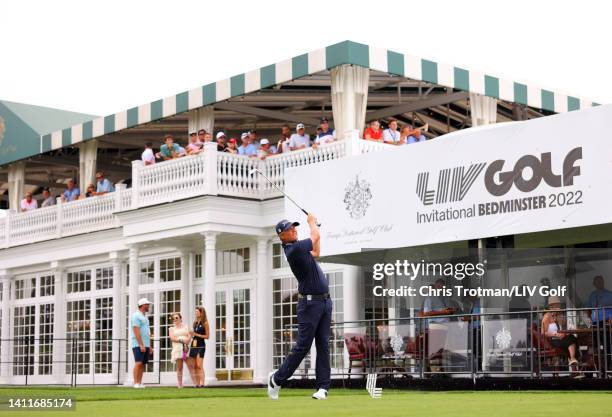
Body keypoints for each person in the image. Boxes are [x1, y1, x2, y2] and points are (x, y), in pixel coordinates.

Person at [268, 214, 331, 401]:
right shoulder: (293, 249)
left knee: (323, 344)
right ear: (282, 236)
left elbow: (317, 251)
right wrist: (312, 222)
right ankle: (276, 380)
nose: (294, 230)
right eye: (289, 229)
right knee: (303, 346)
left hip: (324, 302)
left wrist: (314, 226)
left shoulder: (300, 247)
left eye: (294, 227)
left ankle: (322, 388)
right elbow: (315, 238)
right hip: (309, 304)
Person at [541, 296, 582, 376]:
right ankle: (574, 361)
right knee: (570, 340)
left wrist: (561, 321)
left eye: (559, 305)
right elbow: (543, 332)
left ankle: (573, 362)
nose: (559, 307)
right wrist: (555, 334)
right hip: (553, 340)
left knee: (572, 338)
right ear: (551, 306)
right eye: (557, 305)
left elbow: (563, 327)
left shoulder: (558, 315)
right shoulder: (547, 316)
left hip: (561, 338)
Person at [587, 275, 612, 369]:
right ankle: (597, 368)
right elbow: (588, 308)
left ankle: (608, 367)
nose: (600, 283)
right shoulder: (592, 295)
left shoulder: (609, 294)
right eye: (597, 282)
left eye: (601, 281)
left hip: (606, 322)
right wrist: (590, 318)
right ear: (594, 284)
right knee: (595, 346)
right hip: (595, 323)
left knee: (607, 346)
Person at [130, 297, 153, 388]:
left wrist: (149, 346)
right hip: (138, 344)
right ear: (143, 305)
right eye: (147, 305)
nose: (148, 306)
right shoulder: (136, 315)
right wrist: (141, 344)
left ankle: (139, 382)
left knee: (142, 364)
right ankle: (135, 383)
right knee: (138, 363)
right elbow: (136, 330)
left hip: (146, 344)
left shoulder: (145, 317)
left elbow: (148, 332)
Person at [188, 307, 209, 387]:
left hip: (201, 345)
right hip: (194, 345)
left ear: (201, 313)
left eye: (197, 312)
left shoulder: (205, 323)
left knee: (200, 365)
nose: (196, 313)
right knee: (195, 365)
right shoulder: (195, 323)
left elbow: (207, 336)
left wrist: (196, 334)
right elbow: (193, 335)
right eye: (195, 312)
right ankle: (196, 383)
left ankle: (202, 383)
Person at [169, 313, 192, 388]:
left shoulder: (186, 327)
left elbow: (189, 336)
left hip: (186, 348)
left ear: (180, 319)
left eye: (176, 318)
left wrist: (187, 342)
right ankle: (180, 384)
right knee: (179, 367)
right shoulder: (171, 329)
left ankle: (195, 383)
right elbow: (172, 338)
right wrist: (182, 340)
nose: (175, 319)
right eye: (173, 318)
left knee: (190, 366)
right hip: (178, 349)